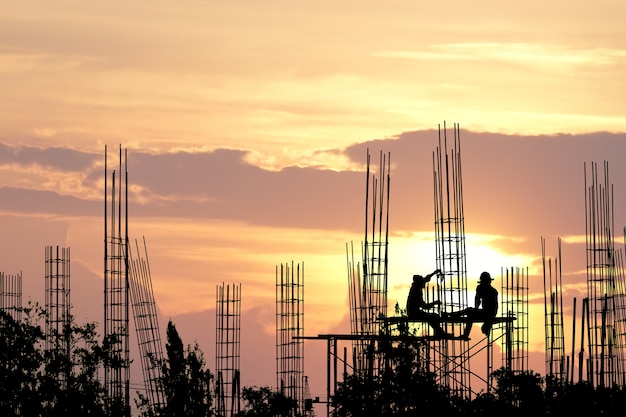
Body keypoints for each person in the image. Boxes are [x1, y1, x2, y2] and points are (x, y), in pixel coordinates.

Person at [444, 271, 498, 338]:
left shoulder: (492, 291)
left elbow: (493, 307)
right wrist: (476, 310)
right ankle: (452, 315)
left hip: (488, 314)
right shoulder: (483, 288)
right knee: (470, 312)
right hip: (486, 313)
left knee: (470, 312)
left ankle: (451, 316)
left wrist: (487, 322)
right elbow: (477, 300)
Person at [406, 269, 450, 338]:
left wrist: (434, 273)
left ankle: (439, 332)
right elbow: (424, 306)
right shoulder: (416, 291)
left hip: (414, 312)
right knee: (433, 317)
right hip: (414, 313)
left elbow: (426, 278)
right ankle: (440, 333)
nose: (424, 284)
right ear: (420, 283)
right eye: (423, 282)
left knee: (433, 316)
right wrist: (434, 303)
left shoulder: (415, 288)